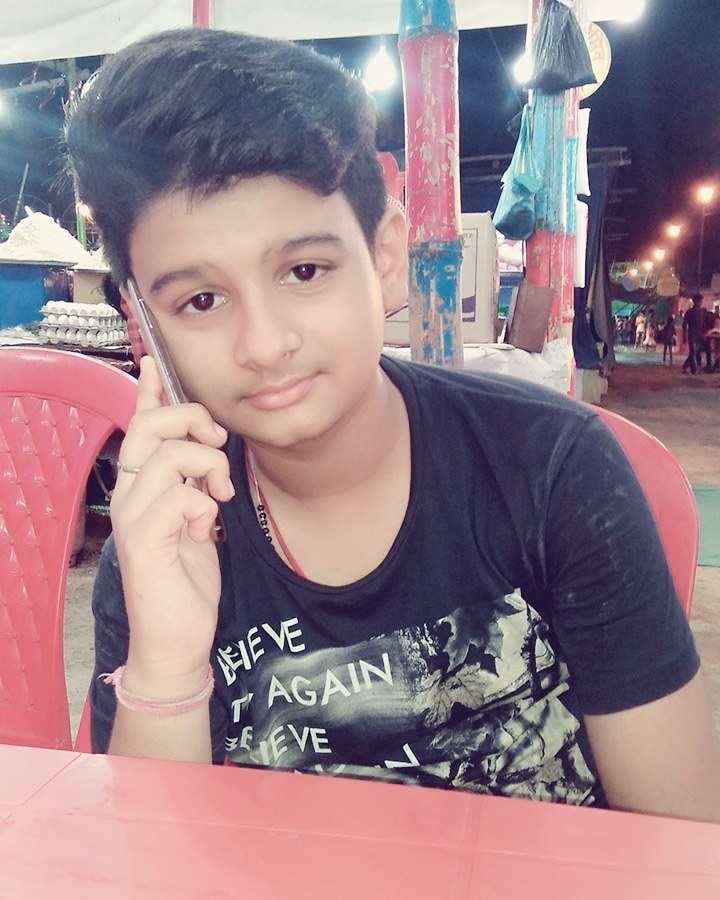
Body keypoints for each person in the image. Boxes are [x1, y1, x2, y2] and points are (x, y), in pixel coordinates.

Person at [64, 29, 720, 822]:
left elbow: (682, 834)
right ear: (145, 324)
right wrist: (167, 663)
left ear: (384, 256)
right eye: (200, 301)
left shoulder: (551, 471)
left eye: (305, 270)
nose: (264, 345)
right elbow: (151, 857)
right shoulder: (166, 540)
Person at [682, 294, 706, 375]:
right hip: (692, 334)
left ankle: (685, 366)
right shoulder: (689, 312)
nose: (701, 303)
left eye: (701, 301)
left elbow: (703, 324)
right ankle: (694, 370)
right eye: (699, 301)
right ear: (695, 301)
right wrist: (684, 336)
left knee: (694, 352)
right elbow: (684, 324)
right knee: (693, 352)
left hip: (699, 335)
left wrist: (704, 333)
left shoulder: (702, 312)